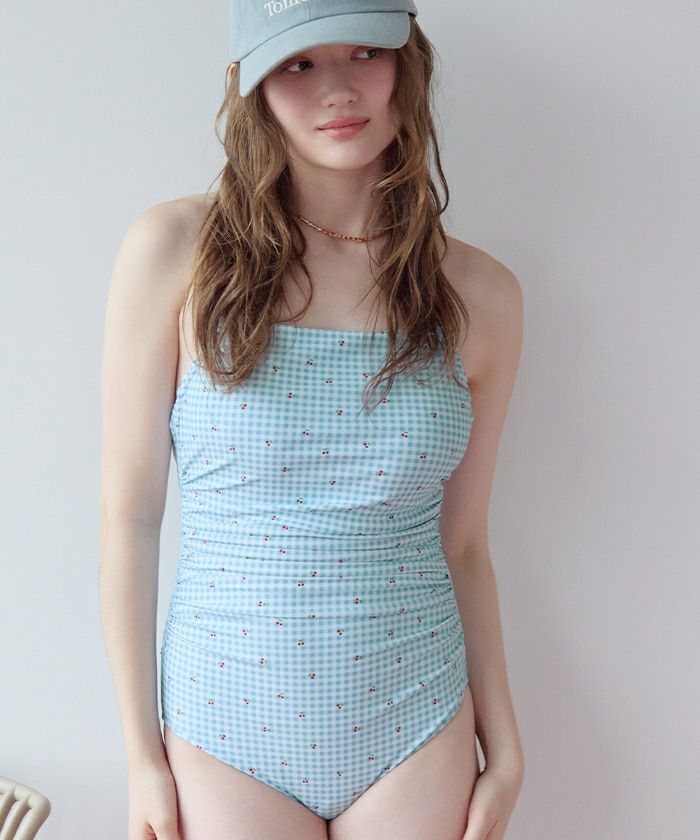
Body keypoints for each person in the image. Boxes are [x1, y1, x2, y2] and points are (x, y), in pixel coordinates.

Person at [99, 1, 525, 838]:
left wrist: (505, 746)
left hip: (417, 717)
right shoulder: (175, 252)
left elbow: (466, 545)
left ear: (409, 63)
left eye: (366, 51)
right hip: (224, 725)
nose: (338, 89)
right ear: (249, 84)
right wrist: (141, 758)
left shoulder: (483, 296)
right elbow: (130, 517)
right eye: (298, 63)